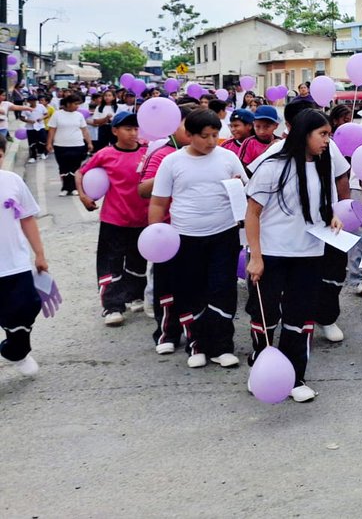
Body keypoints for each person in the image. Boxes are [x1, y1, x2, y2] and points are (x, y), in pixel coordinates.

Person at [244, 109, 343, 403]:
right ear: (304, 134)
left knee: (300, 318)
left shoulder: (323, 166)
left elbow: (327, 206)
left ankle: (294, 376)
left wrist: (332, 219)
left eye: (329, 134)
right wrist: (256, 256)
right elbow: (252, 213)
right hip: (272, 254)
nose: (328, 141)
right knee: (266, 315)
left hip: (310, 254)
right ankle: (261, 370)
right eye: (323, 134)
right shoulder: (274, 166)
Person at [148, 109, 248, 369]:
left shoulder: (228, 158)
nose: (212, 141)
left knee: (222, 289)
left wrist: (239, 187)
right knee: (190, 291)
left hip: (223, 235)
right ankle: (196, 345)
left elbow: (248, 194)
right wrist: (154, 235)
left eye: (215, 135)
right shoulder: (172, 162)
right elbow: (158, 202)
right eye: (205, 136)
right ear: (189, 135)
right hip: (185, 237)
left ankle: (222, 346)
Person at [78, 111, 150, 326]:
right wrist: (83, 196)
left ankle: (134, 295)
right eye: (128, 129)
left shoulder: (148, 153)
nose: (133, 133)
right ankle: (112, 306)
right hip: (114, 219)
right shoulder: (105, 154)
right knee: (111, 263)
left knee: (138, 261)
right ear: (115, 131)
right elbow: (80, 173)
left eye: (136, 129)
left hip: (142, 219)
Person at [138, 103, 198, 350]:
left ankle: (194, 334)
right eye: (189, 125)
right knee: (167, 286)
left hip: (194, 230)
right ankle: (167, 334)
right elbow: (142, 190)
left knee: (192, 286)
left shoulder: (205, 152)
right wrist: (168, 172)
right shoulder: (162, 154)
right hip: (166, 233)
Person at [0, 136, 46, 377]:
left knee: (27, 307)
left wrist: (39, 254)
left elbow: (27, 218)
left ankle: (17, 351)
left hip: (14, 263)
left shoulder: (12, 181)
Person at [47, 92, 92, 196]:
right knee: (63, 167)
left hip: (77, 145)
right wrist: (49, 143)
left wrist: (89, 143)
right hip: (60, 145)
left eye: (78, 104)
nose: (77, 106)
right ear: (68, 104)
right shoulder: (57, 114)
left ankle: (74, 187)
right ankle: (65, 188)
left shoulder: (79, 115)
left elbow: (84, 130)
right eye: (75, 104)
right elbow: (52, 130)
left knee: (75, 167)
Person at [22, 95, 50, 162]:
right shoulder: (26, 108)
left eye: (34, 101)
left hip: (40, 126)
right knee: (32, 142)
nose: (33, 102)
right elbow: (22, 118)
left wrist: (41, 118)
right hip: (30, 128)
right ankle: (33, 156)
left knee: (43, 140)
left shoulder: (40, 106)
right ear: (28, 101)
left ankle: (45, 153)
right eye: (31, 101)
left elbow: (47, 114)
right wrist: (29, 121)